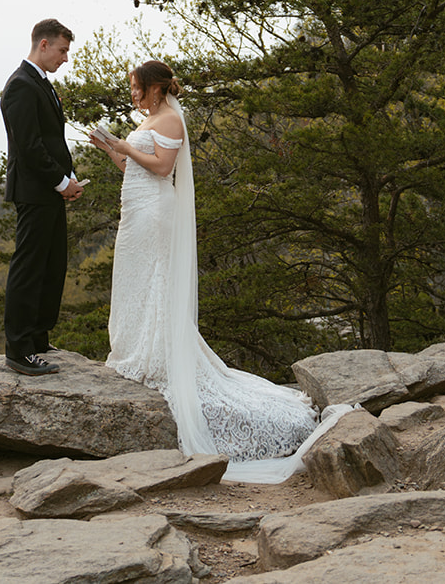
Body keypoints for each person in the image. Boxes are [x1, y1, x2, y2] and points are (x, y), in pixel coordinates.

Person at [90, 60, 322, 477]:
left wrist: (125, 146)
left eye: (136, 87)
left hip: (156, 211)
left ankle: (156, 358)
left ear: (155, 89)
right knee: (135, 280)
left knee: (155, 280)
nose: (132, 93)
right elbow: (134, 170)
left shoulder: (173, 120)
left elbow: (163, 169)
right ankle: (134, 348)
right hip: (136, 209)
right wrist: (112, 150)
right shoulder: (150, 120)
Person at [0, 19, 84, 376]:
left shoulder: (41, 84)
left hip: (49, 190)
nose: (66, 58)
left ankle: (37, 338)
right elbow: (29, 146)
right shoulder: (20, 85)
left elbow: (51, 141)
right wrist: (60, 181)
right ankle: (18, 350)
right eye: (63, 50)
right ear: (44, 44)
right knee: (29, 268)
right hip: (34, 192)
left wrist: (70, 176)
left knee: (52, 265)